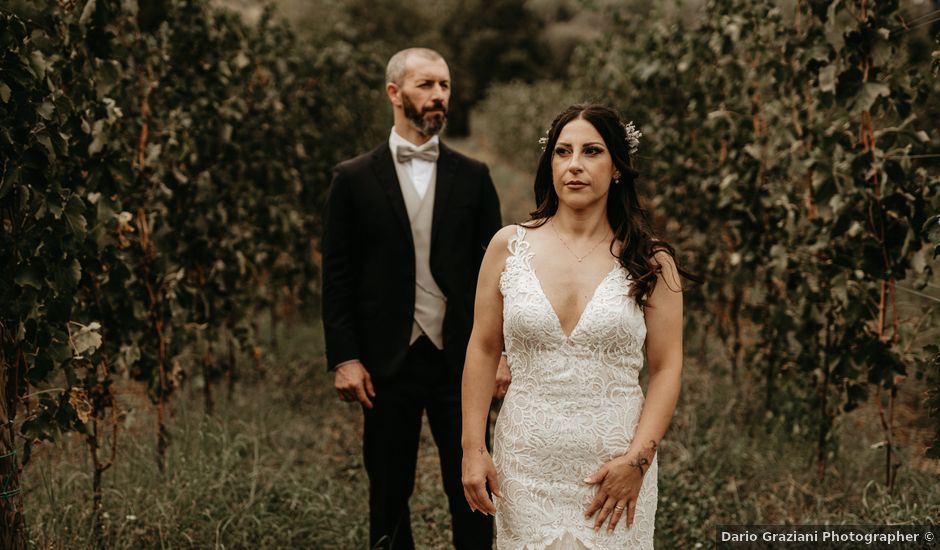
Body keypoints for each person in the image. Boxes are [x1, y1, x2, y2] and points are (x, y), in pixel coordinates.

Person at [460, 104, 687, 549]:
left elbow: (666, 368)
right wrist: (473, 448)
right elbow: (483, 349)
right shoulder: (509, 247)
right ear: (551, 164)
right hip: (524, 463)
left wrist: (638, 462)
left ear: (618, 167)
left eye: (592, 151)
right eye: (563, 152)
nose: (575, 165)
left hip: (614, 465)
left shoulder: (652, 261)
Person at [321, 47, 510, 550]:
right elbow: (337, 275)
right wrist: (344, 355)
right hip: (387, 361)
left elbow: (500, 278)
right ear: (394, 93)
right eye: (426, 85)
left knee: (473, 486)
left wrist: (504, 354)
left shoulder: (474, 177)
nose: (438, 96)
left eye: (444, 86)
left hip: (463, 361)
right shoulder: (353, 178)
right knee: (387, 490)